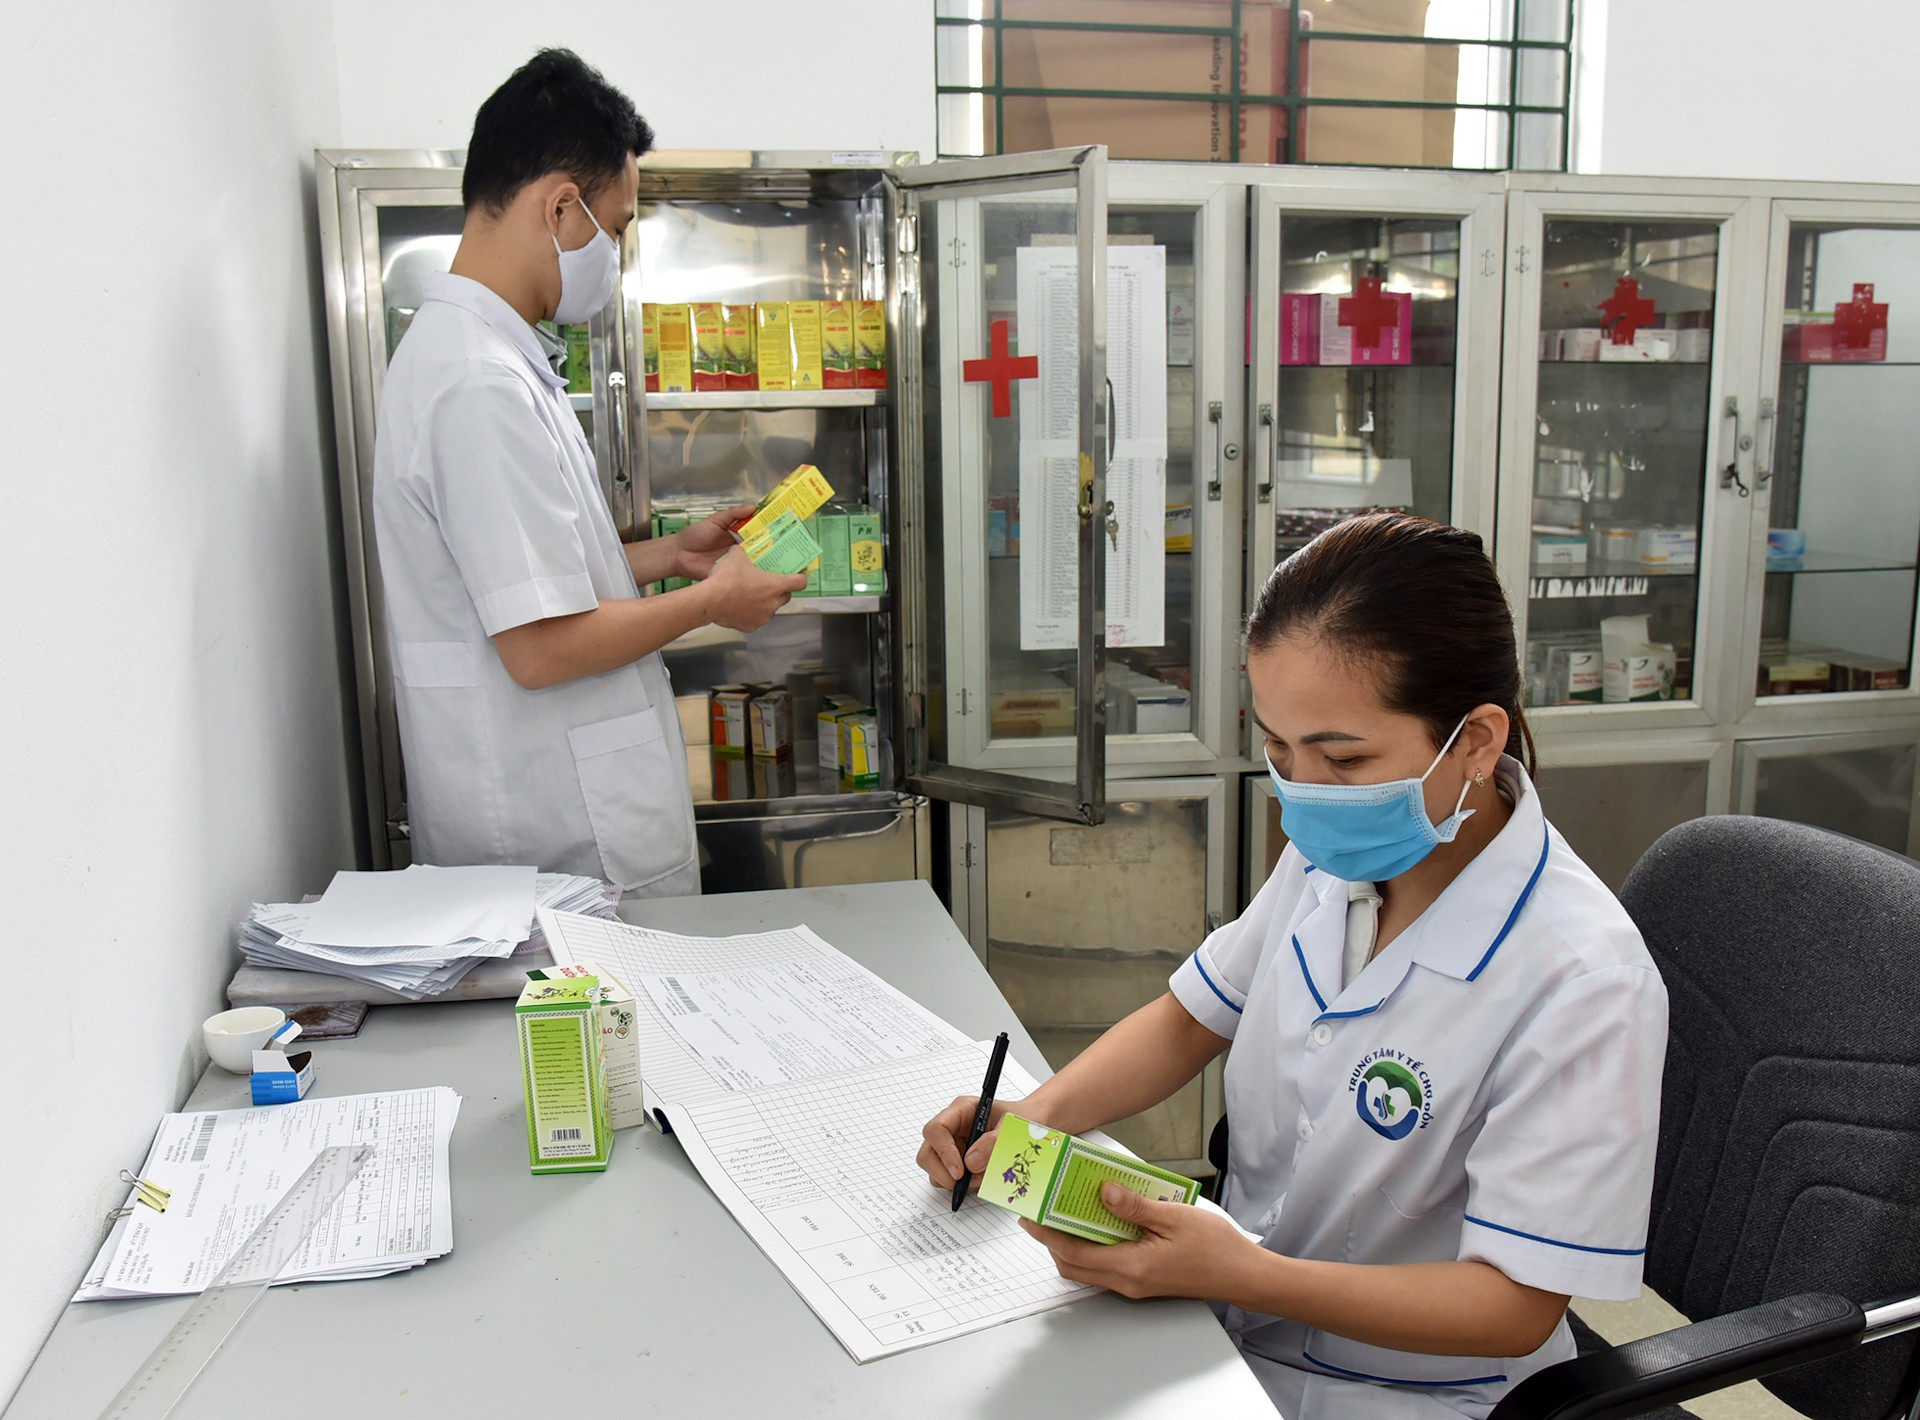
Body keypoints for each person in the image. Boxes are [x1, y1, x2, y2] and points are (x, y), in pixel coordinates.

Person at [920, 513, 1669, 1418]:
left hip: (1413, 1392)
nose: (1304, 794)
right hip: (1221, 1330)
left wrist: (1249, 1273)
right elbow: (1192, 1016)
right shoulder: (1339, 855)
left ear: (1475, 741)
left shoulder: (1583, 977)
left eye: (1344, 758)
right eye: (1279, 751)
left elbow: (1514, 1305)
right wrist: (1025, 1125)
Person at [372, 50, 806, 896]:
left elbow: (519, 572)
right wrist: (715, 601)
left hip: (568, 827)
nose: (616, 250)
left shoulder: (493, 357)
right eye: (618, 225)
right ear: (561, 206)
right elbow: (539, 647)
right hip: (553, 842)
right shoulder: (478, 385)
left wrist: (667, 556)